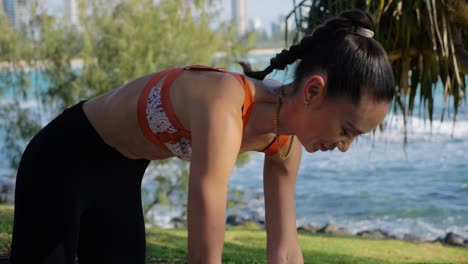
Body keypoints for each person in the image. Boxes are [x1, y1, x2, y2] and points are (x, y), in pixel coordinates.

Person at [9, 8, 395, 264]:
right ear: (312, 91)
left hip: (121, 178)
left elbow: (286, 248)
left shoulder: (285, 143)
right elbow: (206, 237)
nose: (344, 147)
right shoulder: (225, 104)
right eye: (347, 131)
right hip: (62, 160)